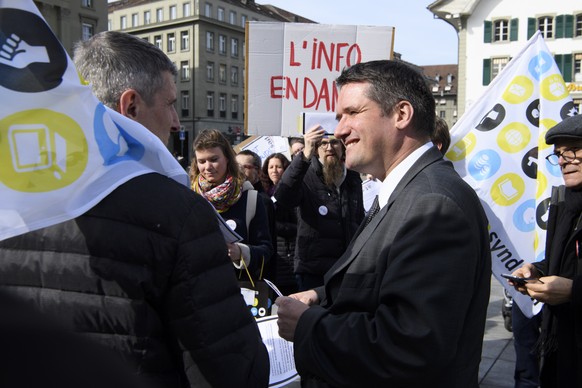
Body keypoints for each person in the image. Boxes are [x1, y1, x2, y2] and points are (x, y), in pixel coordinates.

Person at [0, 31, 269, 388]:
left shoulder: (13, 202)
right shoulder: (179, 211)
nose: (176, 121)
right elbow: (232, 368)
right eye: (171, 103)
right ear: (130, 107)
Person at [275, 60, 491, 387]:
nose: (340, 129)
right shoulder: (405, 190)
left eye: (352, 113)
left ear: (401, 115)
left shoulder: (433, 205)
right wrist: (322, 297)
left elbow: (409, 347)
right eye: (338, 118)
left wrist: (308, 325)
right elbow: (383, 282)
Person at [510, 113, 582, 387]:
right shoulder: (565, 202)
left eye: (572, 150)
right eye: (559, 154)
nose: (563, 160)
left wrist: (574, 291)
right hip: (561, 345)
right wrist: (536, 270)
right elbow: (564, 260)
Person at [274, 129, 364, 291]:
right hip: (314, 272)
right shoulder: (305, 175)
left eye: (334, 142)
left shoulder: (352, 177)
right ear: (315, 149)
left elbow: (358, 218)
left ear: (342, 146)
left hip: (347, 269)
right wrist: (303, 157)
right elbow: (283, 197)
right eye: (323, 143)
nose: (329, 147)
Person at [190, 129, 273, 283]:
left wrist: (240, 252)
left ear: (227, 158)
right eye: (202, 161)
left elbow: (266, 250)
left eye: (214, 159)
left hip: (236, 290)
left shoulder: (250, 198)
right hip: (197, 289)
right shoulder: (190, 197)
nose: (207, 167)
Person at [262, 153, 299, 296]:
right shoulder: (264, 192)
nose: (274, 170)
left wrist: (274, 226)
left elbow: (298, 225)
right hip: (273, 254)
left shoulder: (292, 192)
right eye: (271, 167)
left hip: (288, 254)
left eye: (278, 167)